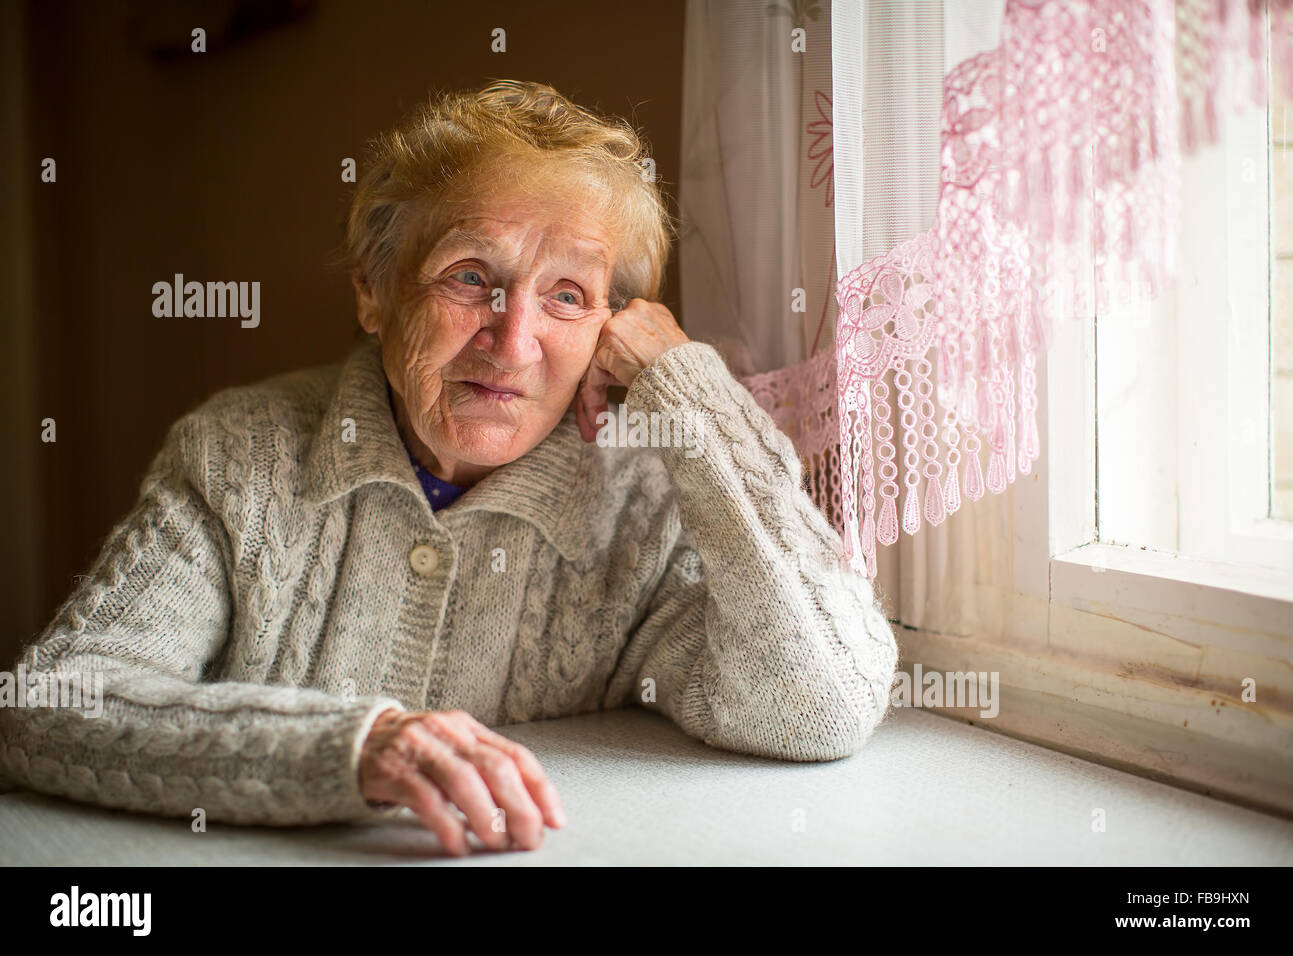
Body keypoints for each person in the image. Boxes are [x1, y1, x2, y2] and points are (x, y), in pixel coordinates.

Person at [0, 79, 898, 856]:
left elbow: (820, 705)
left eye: (568, 297)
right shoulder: (242, 454)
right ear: (373, 288)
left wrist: (689, 391)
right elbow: (53, 702)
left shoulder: (646, 499)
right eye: (470, 276)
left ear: (611, 331)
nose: (513, 342)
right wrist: (356, 747)